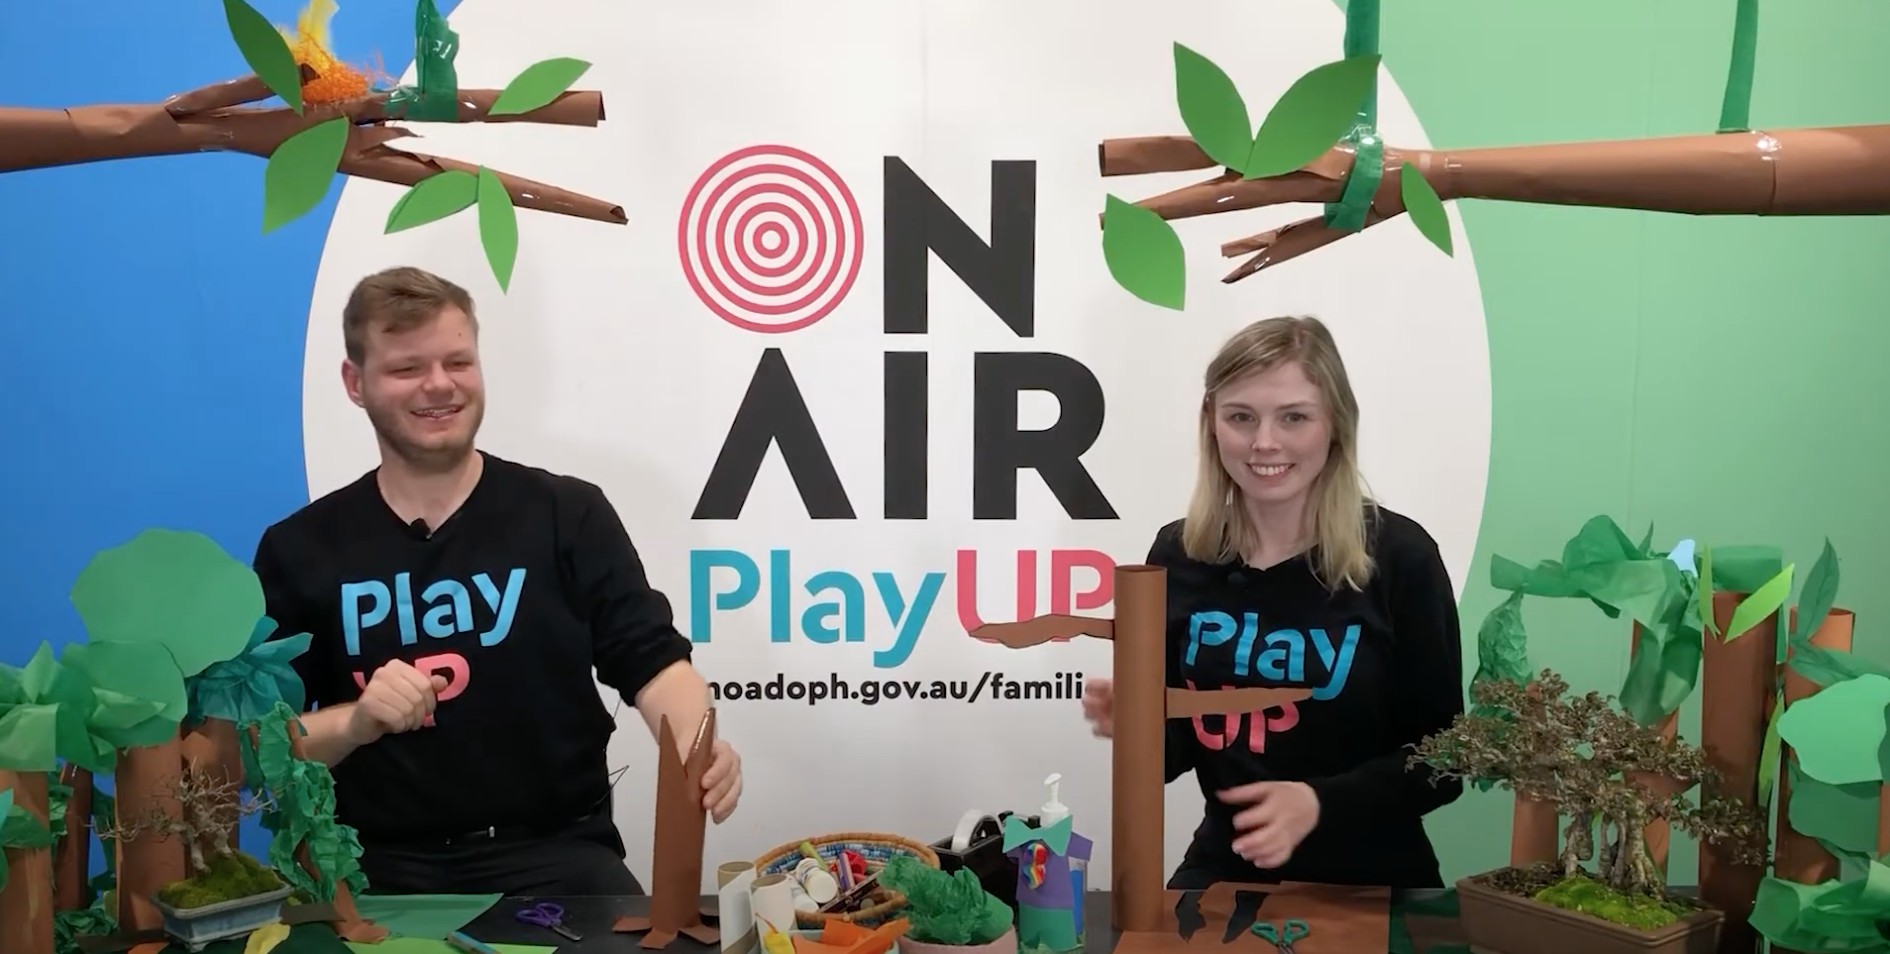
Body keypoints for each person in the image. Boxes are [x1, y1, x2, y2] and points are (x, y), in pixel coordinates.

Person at [251, 265, 744, 896]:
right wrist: (356, 723)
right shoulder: (299, 548)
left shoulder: (568, 514)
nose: (439, 385)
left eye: (458, 362)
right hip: (368, 869)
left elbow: (654, 664)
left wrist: (697, 748)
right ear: (356, 383)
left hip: (560, 856)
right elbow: (262, 749)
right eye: (407, 368)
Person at [1080, 315, 1464, 889]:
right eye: (1241, 417)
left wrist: (1318, 803)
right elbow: (1172, 756)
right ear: (1211, 424)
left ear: (1334, 424)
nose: (1264, 443)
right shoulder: (1178, 554)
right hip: (1225, 870)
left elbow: (1446, 760)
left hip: (1377, 877)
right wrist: (1134, 725)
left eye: (1294, 417)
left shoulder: (1400, 557)